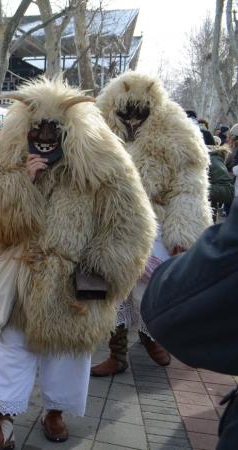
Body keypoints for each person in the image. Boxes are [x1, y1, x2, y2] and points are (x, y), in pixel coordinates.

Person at [0, 78, 154, 449]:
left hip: (73, 282)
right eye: (36, 127)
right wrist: (22, 182)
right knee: (13, 348)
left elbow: (132, 223)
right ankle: (2, 419)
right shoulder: (8, 159)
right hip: (21, 276)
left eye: (53, 128)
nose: (44, 135)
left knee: (68, 354)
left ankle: (54, 411)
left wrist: (101, 270)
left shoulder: (105, 165)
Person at [91, 73, 213, 377]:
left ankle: (150, 335)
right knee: (108, 290)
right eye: (126, 111)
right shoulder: (96, 126)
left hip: (154, 221)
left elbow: (189, 186)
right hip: (107, 221)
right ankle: (116, 353)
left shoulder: (176, 129)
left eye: (140, 111)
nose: (132, 119)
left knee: (151, 284)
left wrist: (183, 231)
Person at [140, 199, 238, 450]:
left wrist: (183, 236)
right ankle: (119, 350)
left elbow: (171, 307)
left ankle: (146, 339)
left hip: (162, 236)